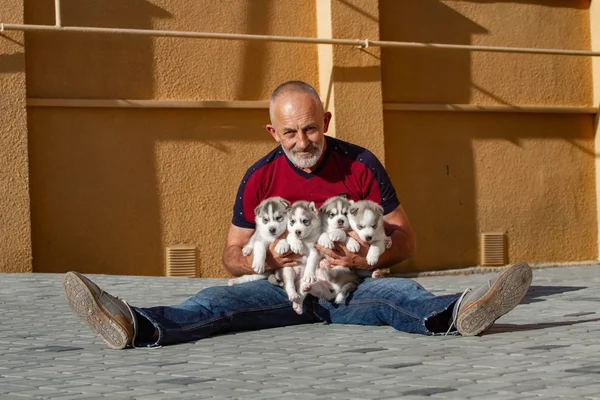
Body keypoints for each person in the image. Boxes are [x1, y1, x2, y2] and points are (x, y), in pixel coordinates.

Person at [63, 80, 533, 350]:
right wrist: (266, 257)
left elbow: (407, 241)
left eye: (311, 129)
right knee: (212, 304)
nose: (302, 142)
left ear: (326, 122)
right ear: (273, 131)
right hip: (277, 291)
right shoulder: (259, 177)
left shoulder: (360, 164)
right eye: (290, 132)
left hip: (352, 288)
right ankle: (134, 323)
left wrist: (360, 260)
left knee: (402, 294)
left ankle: (464, 312)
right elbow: (230, 255)